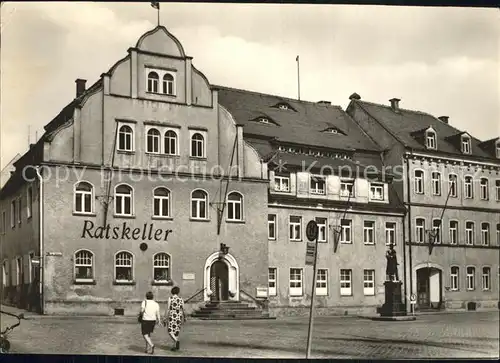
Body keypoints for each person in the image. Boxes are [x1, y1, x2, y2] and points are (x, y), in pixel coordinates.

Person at [164, 286, 186, 351]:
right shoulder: (181, 299)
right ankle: (174, 346)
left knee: (170, 330)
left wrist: (165, 317)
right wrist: (185, 317)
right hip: (179, 315)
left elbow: (168, 308)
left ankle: (176, 341)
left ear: (172, 291)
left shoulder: (170, 298)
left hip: (172, 314)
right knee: (176, 331)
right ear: (178, 292)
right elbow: (183, 309)